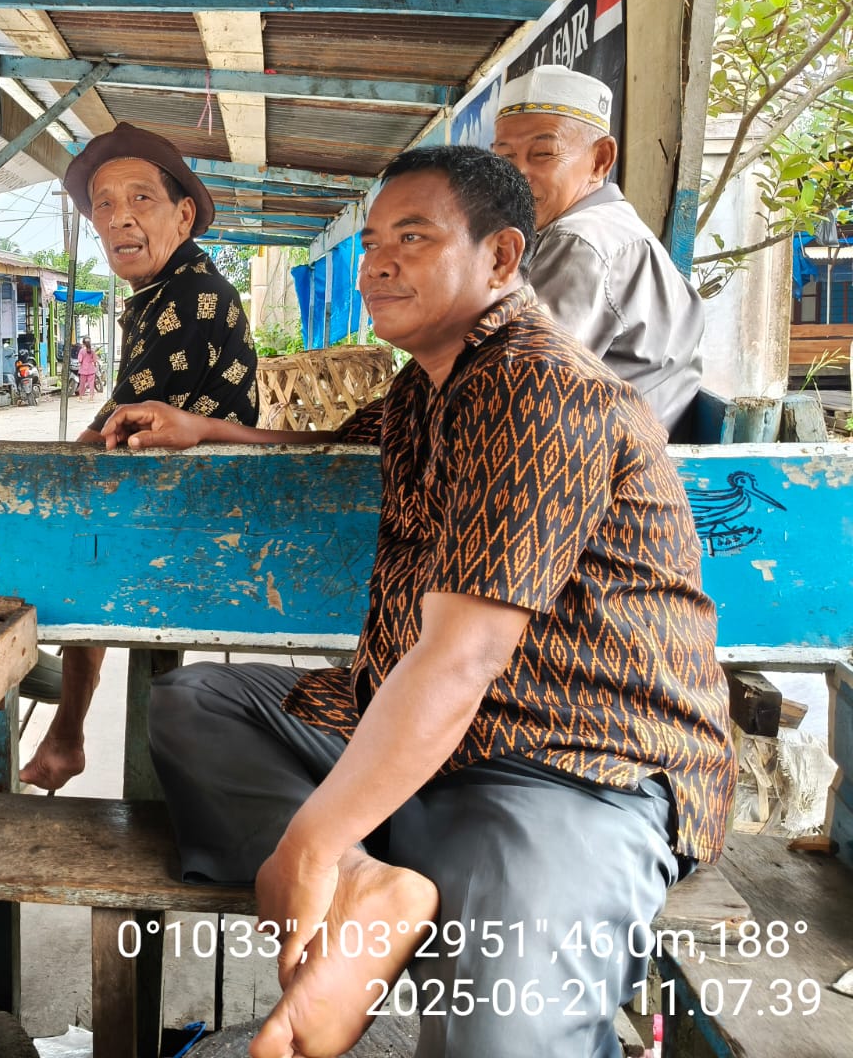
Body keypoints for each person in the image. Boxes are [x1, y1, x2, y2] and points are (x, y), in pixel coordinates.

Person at [103, 146, 735, 1058]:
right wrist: (205, 428)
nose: (378, 264)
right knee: (198, 703)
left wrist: (313, 839)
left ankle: (364, 869)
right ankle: (377, 886)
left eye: (413, 237)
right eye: (370, 243)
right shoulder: (426, 386)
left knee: (502, 1042)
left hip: (566, 762)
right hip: (417, 731)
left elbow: (463, 657)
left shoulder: (542, 390)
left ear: (503, 258)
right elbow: (325, 443)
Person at [19, 122, 259, 792]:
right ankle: (56, 706)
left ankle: (60, 720)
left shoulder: (189, 296)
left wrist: (72, 456)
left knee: (64, 533)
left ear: (183, 215)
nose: (119, 217)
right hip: (194, 498)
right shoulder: (165, 291)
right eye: (103, 204)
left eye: (141, 200)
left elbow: (125, 427)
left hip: (208, 518)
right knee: (78, 521)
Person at [492, 64, 705, 433]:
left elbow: (523, 378)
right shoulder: (605, 228)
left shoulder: (581, 238)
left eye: (542, 154)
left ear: (600, 159)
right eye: (506, 158)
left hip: (603, 468)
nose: (519, 175)